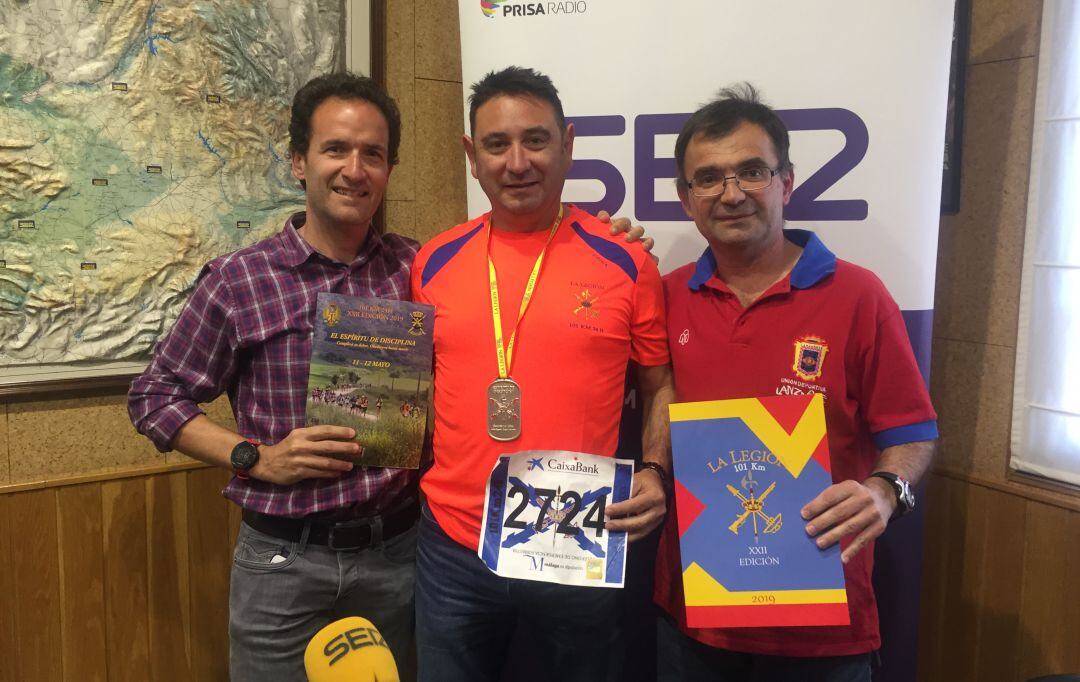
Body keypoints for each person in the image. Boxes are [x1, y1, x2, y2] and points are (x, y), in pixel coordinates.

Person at [127, 71, 648, 681]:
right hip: (284, 560)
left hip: (398, 556)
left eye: (372, 154)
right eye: (335, 149)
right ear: (298, 162)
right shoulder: (241, 280)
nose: (354, 170)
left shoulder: (416, 266)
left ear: (389, 169)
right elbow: (155, 396)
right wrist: (255, 457)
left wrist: (605, 236)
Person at [654, 84, 938, 681]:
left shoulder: (859, 295)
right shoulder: (667, 295)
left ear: (786, 182)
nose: (731, 193)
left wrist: (886, 490)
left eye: (751, 171)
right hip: (696, 614)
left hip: (823, 618)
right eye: (708, 178)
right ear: (685, 198)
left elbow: (912, 431)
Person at [410, 66, 675, 682]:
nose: (517, 162)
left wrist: (656, 470)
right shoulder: (433, 261)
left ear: (568, 145)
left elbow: (658, 384)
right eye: (496, 144)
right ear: (472, 156)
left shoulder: (626, 259)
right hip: (454, 546)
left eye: (536, 140)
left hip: (577, 542)